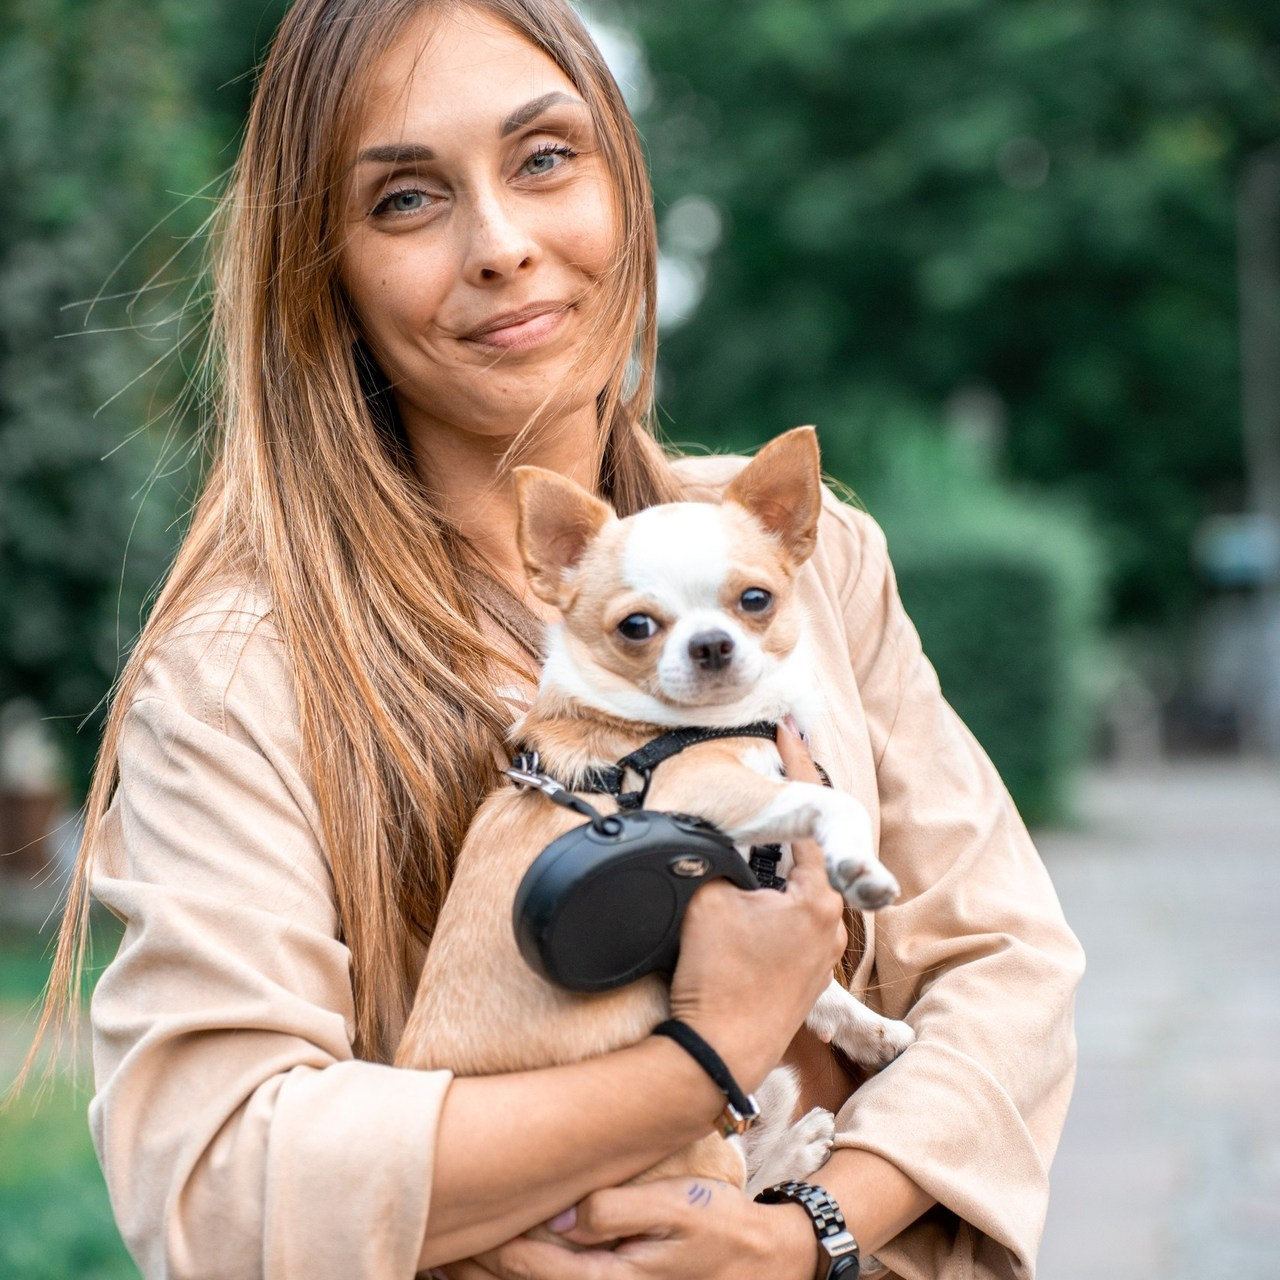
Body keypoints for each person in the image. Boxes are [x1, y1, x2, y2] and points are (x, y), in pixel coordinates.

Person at [36, 1, 1084, 1276]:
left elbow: (1003, 963)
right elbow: (218, 1173)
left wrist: (806, 1234)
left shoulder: (808, 570)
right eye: (406, 201)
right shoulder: (245, 668)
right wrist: (694, 1061)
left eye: (543, 158)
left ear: (626, 190)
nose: (501, 245)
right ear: (327, 275)